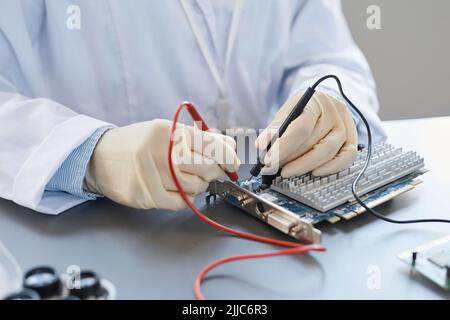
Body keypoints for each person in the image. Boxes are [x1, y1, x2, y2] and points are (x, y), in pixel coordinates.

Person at [0, 0, 386, 214]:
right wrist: (89, 154)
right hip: (111, 232)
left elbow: (326, 54)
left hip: (268, 223)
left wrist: (332, 105)